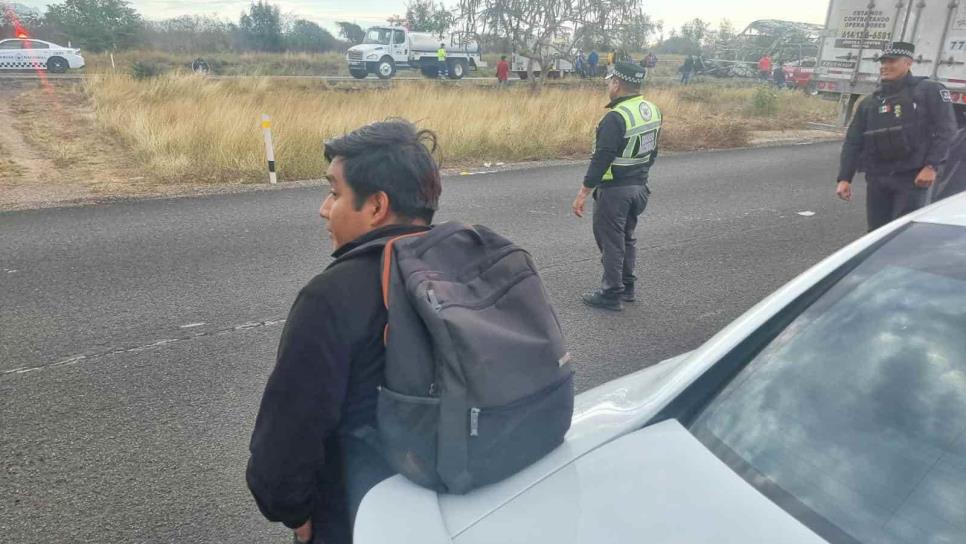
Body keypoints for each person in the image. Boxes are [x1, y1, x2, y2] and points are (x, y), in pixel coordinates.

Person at [247, 120, 443, 544]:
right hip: (453, 492)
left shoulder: (332, 297)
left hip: (362, 512)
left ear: (376, 207)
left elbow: (280, 452)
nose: (324, 208)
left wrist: (297, 516)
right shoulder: (461, 262)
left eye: (335, 193)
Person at [836, 42, 957, 231]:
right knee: (877, 234)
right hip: (878, 178)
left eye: (892, 61)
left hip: (912, 177)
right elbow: (853, 140)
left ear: (908, 62)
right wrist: (844, 178)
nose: (885, 66)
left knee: (904, 234)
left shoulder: (929, 90)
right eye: (882, 62)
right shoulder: (871, 101)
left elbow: (946, 129)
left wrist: (932, 166)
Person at [572, 63, 662, 311]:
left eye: (610, 81)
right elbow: (653, 150)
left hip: (615, 191)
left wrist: (583, 192)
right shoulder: (652, 110)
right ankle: (627, 287)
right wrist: (639, 176)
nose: (608, 86)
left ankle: (611, 293)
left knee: (611, 241)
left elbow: (602, 157)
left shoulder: (616, 117)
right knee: (626, 238)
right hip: (639, 187)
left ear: (617, 84)